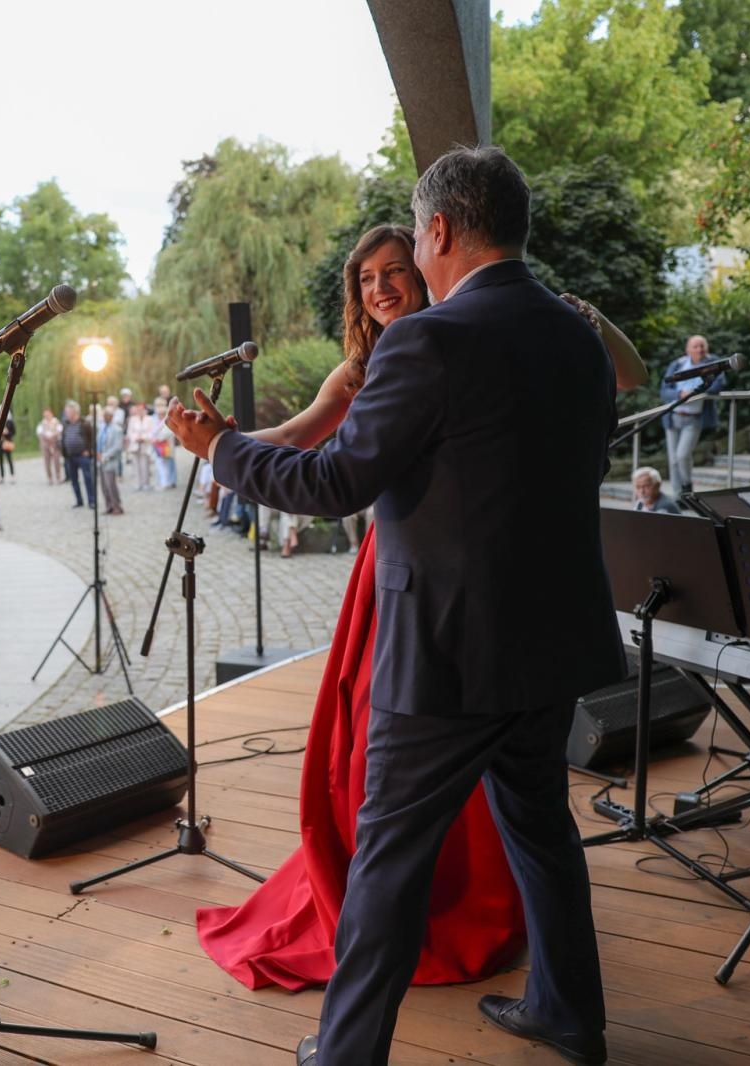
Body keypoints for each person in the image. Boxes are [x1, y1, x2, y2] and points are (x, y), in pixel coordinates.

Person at [169, 147, 624, 1066]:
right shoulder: (579, 337)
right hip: (556, 638)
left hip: (451, 651)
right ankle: (570, 1013)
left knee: (388, 859)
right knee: (541, 827)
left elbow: (334, 483)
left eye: (415, 239)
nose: (413, 255)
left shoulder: (431, 340)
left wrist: (220, 449)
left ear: (441, 230)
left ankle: (346, 1056)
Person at [193, 221, 527, 998]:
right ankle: (392, 895)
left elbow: (338, 480)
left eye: (394, 270)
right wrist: (222, 447)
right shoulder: (358, 369)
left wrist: (224, 454)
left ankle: (450, 898)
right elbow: (297, 435)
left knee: (417, 734)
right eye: (366, 277)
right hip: (392, 560)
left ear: (424, 267)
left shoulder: (456, 342)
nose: (380, 287)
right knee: (368, 732)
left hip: (438, 564)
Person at [659, 334, 725, 498]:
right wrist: (679, 394)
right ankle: (678, 496)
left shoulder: (713, 363)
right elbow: (664, 390)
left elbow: (719, 384)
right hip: (673, 416)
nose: (699, 349)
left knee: (682, 455)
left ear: (707, 348)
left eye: (702, 346)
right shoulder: (678, 364)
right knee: (673, 460)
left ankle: (687, 487)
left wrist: (697, 392)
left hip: (694, 418)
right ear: (688, 349)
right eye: (695, 346)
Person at [60, 400, 94, 508]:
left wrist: (89, 451)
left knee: (88, 478)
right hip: (70, 456)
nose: (66, 414)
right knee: (74, 480)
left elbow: (92, 438)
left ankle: (91, 501)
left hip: (82, 456)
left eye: (67, 411)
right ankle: (79, 500)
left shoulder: (84, 423)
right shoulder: (66, 424)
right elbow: (64, 437)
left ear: (74, 411)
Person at [96, 405, 124, 515]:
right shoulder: (101, 427)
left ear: (111, 416)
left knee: (111, 485)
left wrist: (104, 456)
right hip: (100, 460)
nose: (104, 417)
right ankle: (109, 506)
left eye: (106, 415)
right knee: (103, 486)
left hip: (110, 461)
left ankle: (117, 506)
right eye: (103, 415)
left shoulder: (117, 429)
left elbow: (117, 447)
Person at [125, 399, 155, 491]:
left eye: (141, 410)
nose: (140, 411)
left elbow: (152, 432)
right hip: (135, 445)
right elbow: (129, 432)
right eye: (138, 410)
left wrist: (144, 438)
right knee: (136, 465)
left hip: (145, 444)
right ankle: (137, 483)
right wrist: (135, 438)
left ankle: (146, 483)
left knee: (145, 465)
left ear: (145, 410)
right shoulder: (132, 419)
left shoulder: (149, 419)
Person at [36, 407, 63, 484]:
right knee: (47, 462)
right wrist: (45, 437)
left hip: (55, 444)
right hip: (46, 445)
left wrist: (53, 435)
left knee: (57, 461)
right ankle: (50, 478)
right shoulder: (42, 423)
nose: (46, 416)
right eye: (45, 415)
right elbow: (39, 433)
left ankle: (58, 477)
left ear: (51, 414)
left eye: (48, 414)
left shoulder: (56, 422)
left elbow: (60, 430)